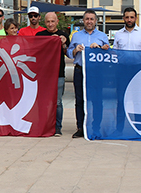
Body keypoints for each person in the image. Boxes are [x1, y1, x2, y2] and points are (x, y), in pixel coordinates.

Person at [67, 9, 109, 138]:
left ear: (96, 21)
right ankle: (80, 127)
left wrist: (101, 48)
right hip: (80, 70)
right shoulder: (76, 36)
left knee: (97, 100)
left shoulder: (102, 36)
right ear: (83, 21)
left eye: (91, 19)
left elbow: (108, 53)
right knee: (80, 100)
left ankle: (96, 127)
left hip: (96, 72)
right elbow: (69, 53)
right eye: (87, 19)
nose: (89, 21)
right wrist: (75, 50)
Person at [36, 12, 70, 137]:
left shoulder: (64, 35)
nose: (50, 24)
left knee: (58, 102)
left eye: (52, 21)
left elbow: (69, 53)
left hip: (59, 73)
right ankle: (43, 126)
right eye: (48, 21)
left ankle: (57, 128)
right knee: (43, 102)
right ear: (45, 23)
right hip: (43, 74)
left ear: (57, 22)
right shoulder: (40, 35)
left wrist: (63, 43)